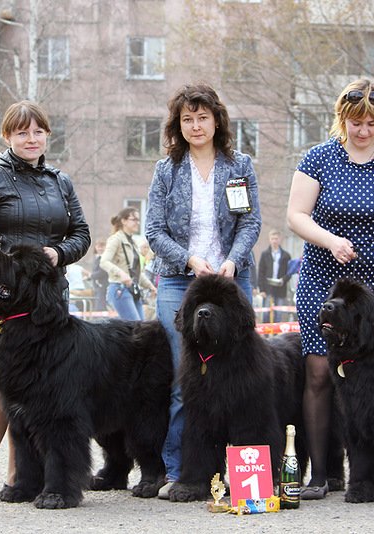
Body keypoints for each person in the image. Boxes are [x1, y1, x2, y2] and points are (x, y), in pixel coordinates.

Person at [286, 78, 374, 499]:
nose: (363, 130)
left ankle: (370, 475)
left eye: (371, 123)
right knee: (321, 373)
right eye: (355, 122)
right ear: (341, 119)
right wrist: (330, 240)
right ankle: (322, 474)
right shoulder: (319, 158)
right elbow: (295, 215)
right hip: (323, 283)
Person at [0, 100, 90, 501]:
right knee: (2, 394)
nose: (31, 139)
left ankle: (22, 477)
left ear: (47, 135)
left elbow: (81, 234)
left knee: (45, 393)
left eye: (38, 132)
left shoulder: (60, 181)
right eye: (22, 132)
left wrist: (59, 254)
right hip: (4, 301)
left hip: (50, 302)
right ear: (7, 136)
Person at [144, 83, 261, 498]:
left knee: (239, 379)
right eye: (187, 119)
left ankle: (243, 472)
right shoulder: (166, 170)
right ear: (178, 125)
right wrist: (190, 260)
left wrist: (233, 259)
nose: (195, 126)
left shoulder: (240, 165)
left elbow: (250, 223)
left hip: (231, 283)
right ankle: (182, 471)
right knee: (185, 380)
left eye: (202, 117)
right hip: (180, 282)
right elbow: (153, 230)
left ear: (217, 121)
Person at [100, 207, 157, 321]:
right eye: (134, 219)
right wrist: (121, 274)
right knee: (134, 328)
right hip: (119, 288)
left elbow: (136, 273)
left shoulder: (133, 242)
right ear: (124, 221)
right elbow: (104, 261)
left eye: (138, 219)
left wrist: (151, 287)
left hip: (133, 289)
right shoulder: (115, 239)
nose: (138, 222)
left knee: (140, 328)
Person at [257, 229, 292, 323]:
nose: (274, 241)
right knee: (266, 314)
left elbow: (289, 272)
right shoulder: (265, 254)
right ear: (269, 239)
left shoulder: (286, 255)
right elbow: (261, 272)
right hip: (267, 288)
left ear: (279, 239)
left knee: (279, 314)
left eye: (276, 238)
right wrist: (262, 289)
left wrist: (283, 280)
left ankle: (277, 336)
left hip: (280, 288)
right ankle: (266, 336)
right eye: (272, 238)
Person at [90, 241, 109, 312]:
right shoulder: (96, 258)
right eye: (98, 246)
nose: (100, 248)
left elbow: (103, 272)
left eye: (102, 246)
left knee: (100, 305)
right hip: (97, 285)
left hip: (103, 284)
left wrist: (91, 275)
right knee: (98, 303)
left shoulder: (104, 258)